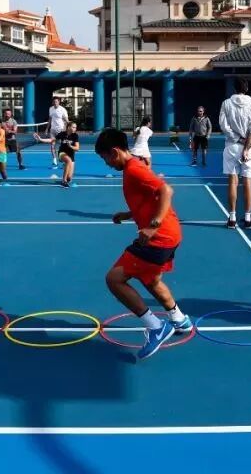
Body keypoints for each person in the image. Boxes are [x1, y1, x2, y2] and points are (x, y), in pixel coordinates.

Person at [94, 128, 192, 360]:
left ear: (115, 152)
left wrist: (153, 226)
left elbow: (166, 190)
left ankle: (156, 327)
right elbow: (149, 197)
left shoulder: (134, 169)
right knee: (151, 279)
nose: (107, 164)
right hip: (171, 234)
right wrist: (128, 214)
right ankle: (179, 319)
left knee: (114, 279)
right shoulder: (134, 167)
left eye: (105, 158)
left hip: (159, 237)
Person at [219, 78, 251, 228]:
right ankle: (248, 219)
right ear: (246, 88)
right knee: (247, 182)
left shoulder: (226, 103)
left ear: (234, 89)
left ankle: (232, 218)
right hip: (248, 148)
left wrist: (238, 139)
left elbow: (224, 126)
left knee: (232, 182)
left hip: (232, 147)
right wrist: (246, 148)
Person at [35, 120, 80, 187]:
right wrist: (41, 139)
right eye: (73, 127)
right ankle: (63, 181)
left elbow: (77, 148)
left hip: (71, 155)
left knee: (69, 178)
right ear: (68, 127)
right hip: (62, 153)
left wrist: (70, 146)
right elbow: (51, 140)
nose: (75, 129)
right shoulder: (62, 134)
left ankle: (66, 173)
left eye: (75, 127)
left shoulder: (75, 135)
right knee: (68, 161)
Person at [47, 97, 70, 167]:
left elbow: (66, 120)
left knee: (62, 146)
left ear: (59, 102)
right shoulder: (51, 109)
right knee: (52, 145)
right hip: (52, 130)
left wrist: (65, 129)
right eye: (54, 102)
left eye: (56, 101)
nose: (55, 103)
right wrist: (47, 129)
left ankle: (64, 161)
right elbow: (50, 119)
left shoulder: (62, 110)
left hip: (61, 130)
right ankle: (54, 160)